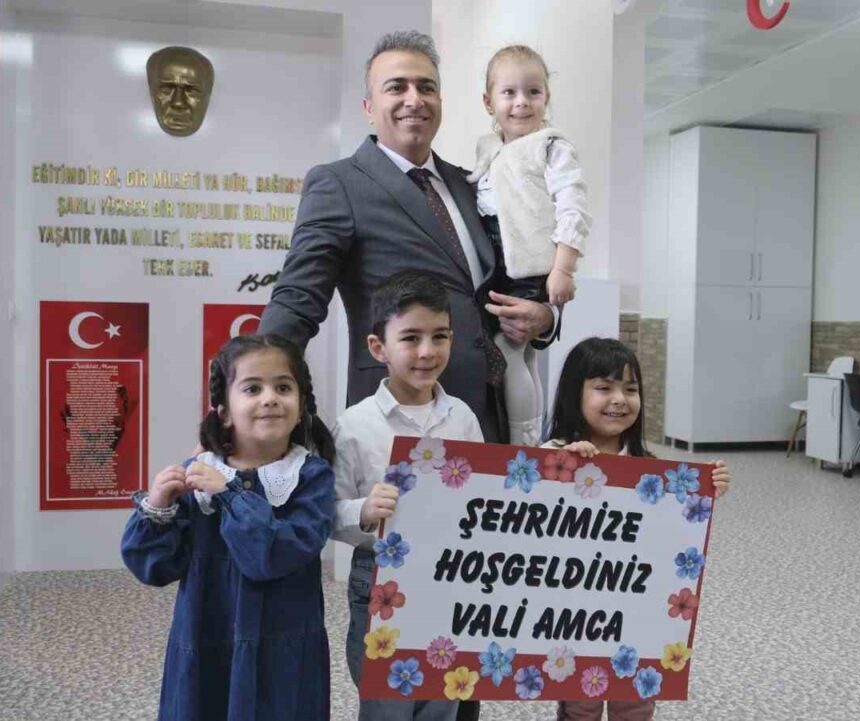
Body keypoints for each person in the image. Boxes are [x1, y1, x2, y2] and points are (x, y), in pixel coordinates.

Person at [259, 30, 560, 444]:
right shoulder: (339, 184)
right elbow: (296, 300)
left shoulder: (473, 183)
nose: (414, 99)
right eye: (396, 87)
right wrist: (249, 390)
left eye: (426, 87)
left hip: (488, 416)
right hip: (396, 424)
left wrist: (545, 318)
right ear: (369, 107)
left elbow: (516, 271)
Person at [121, 334, 335, 720]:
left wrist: (231, 495)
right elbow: (153, 567)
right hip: (207, 641)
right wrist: (157, 507)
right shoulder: (197, 474)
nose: (270, 398)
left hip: (283, 654)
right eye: (252, 388)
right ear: (223, 411)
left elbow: (272, 555)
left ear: (302, 405)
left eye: (283, 387)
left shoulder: (311, 476)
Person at [542, 337, 730, 721]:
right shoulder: (551, 454)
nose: (620, 399)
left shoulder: (650, 467)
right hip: (573, 616)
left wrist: (704, 490)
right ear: (574, 394)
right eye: (603, 387)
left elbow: (672, 535)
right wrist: (560, 468)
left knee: (635, 702)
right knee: (579, 704)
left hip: (635, 613)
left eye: (631, 389)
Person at [331, 271, 484, 721]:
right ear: (378, 347)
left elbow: (484, 497)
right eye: (411, 338)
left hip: (449, 579)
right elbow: (328, 512)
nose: (427, 351)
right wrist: (363, 510)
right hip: (380, 577)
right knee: (387, 706)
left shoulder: (463, 418)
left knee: (442, 699)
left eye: (440, 336)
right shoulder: (355, 426)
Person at [468, 44, 590, 446]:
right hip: (499, 262)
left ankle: (524, 442)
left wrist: (563, 269)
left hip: (529, 266)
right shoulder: (490, 149)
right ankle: (529, 436)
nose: (521, 102)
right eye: (509, 92)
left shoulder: (552, 146)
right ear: (489, 101)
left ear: (546, 98)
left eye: (533, 92)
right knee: (526, 353)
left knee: (508, 347)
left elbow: (573, 208)